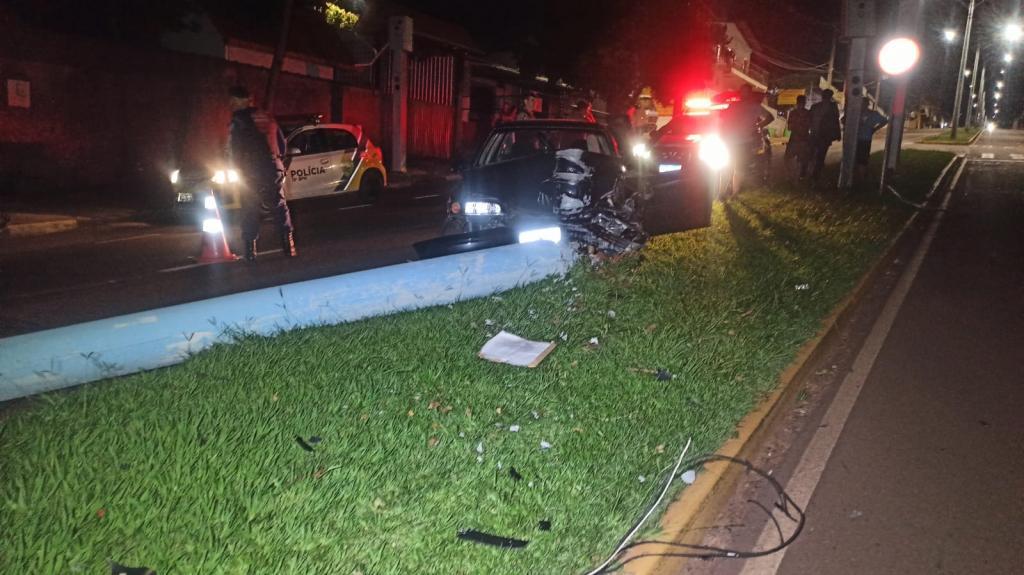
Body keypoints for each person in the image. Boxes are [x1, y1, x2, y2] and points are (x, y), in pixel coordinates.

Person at [227, 85, 296, 261]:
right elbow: (281, 144)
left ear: (239, 102)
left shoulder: (238, 120)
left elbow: (233, 149)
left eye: (233, 102)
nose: (231, 105)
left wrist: (234, 166)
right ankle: (289, 246)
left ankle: (250, 252)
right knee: (279, 205)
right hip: (273, 166)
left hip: (250, 169)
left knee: (249, 208)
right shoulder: (267, 118)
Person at [721, 85, 773, 197]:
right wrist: (758, 126)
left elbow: (723, 119)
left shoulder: (737, 106)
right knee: (738, 167)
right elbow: (770, 117)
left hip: (734, 141)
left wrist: (758, 126)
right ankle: (732, 192)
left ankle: (728, 191)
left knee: (732, 166)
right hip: (740, 141)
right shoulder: (753, 107)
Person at [802, 89, 842, 185]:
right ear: (830, 96)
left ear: (822, 96)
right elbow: (836, 121)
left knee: (809, 154)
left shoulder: (815, 107)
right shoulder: (832, 107)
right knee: (820, 156)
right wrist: (837, 134)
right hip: (824, 136)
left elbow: (809, 120)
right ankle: (814, 175)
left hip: (815, 134)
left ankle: (804, 173)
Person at [854, 99, 888, 186]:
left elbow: (885, 120)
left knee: (861, 158)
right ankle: (860, 177)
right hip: (859, 139)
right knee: (860, 158)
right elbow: (884, 121)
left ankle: (861, 178)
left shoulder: (871, 114)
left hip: (863, 138)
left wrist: (875, 129)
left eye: (863, 104)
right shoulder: (857, 112)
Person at [785, 95, 811, 173]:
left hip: (795, 138)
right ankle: (801, 175)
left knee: (789, 158)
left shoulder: (793, 113)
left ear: (797, 102)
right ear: (805, 103)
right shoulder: (808, 113)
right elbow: (809, 125)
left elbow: (789, 127)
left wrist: (796, 126)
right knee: (804, 160)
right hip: (804, 138)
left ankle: (792, 175)